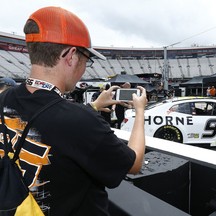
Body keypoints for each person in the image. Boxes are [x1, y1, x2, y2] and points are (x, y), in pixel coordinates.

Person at [0, 6, 147, 216]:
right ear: (70, 55)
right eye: (86, 59)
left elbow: (49, 122)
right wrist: (140, 111)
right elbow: (133, 163)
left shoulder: (4, 98)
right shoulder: (80, 120)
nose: (85, 67)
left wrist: (94, 106)